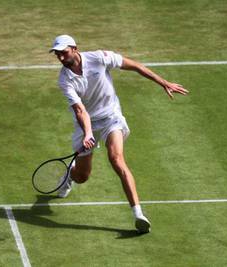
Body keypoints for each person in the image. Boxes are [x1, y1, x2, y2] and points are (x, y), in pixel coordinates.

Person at [49, 35, 189, 233]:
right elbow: (80, 110)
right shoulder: (64, 80)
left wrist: (163, 82)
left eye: (63, 52)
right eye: (57, 54)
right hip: (86, 124)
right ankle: (70, 174)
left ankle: (138, 214)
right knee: (82, 176)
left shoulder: (100, 58)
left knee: (116, 159)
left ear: (74, 48)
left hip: (111, 118)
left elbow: (135, 66)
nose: (61, 58)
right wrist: (88, 134)